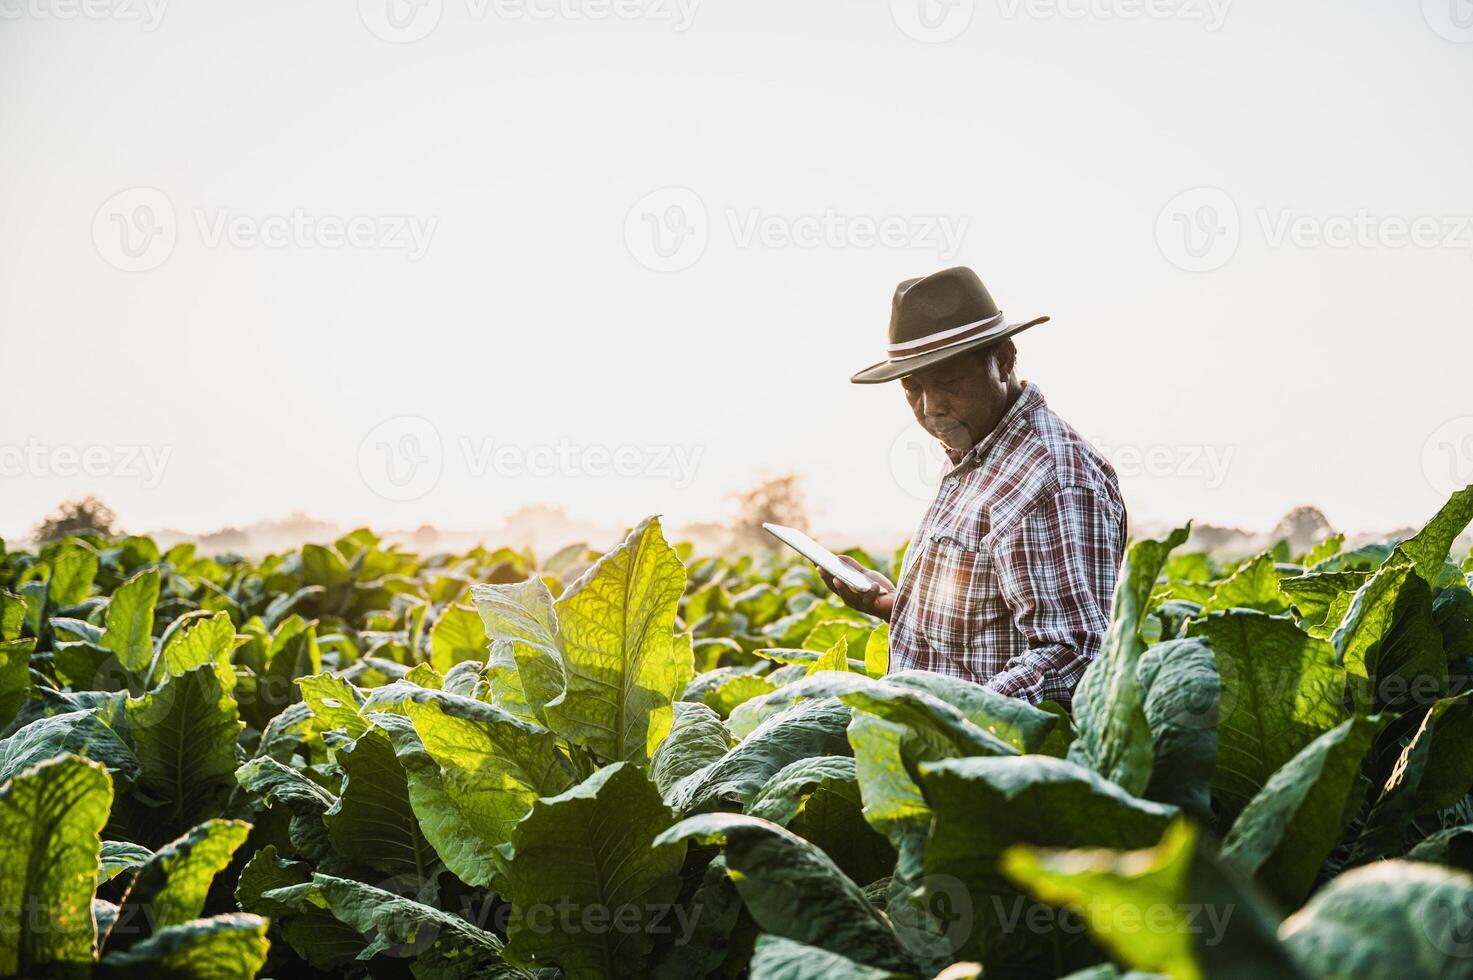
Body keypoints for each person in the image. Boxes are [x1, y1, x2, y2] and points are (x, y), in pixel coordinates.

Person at [820, 266, 1126, 708]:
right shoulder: (979, 455)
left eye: (947, 382)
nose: (930, 407)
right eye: (912, 388)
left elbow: (1075, 654)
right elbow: (987, 629)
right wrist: (893, 603)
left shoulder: (1052, 477)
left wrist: (953, 724)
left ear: (1002, 361)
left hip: (998, 768)